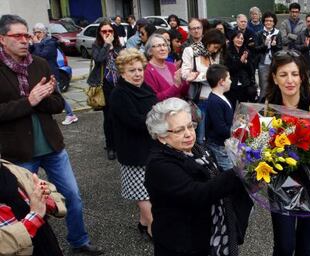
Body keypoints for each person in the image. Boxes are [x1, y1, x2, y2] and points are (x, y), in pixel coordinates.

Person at [0, 14, 103, 254]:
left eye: (27, 35)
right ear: (2, 39)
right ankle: (35, 246)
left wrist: (40, 99)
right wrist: (30, 100)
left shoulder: (39, 64)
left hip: (52, 146)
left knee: (73, 197)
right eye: (18, 36)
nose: (25, 40)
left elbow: (57, 104)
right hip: (20, 153)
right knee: (25, 205)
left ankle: (79, 240)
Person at [145, 97, 252, 256]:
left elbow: (216, 177)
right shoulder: (159, 164)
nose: (188, 134)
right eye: (179, 130)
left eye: (190, 126)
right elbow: (198, 193)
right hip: (182, 244)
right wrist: (239, 170)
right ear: (161, 136)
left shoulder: (198, 150)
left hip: (209, 236)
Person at [264, 49, 310, 256]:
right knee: (284, 246)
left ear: (302, 77)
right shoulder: (266, 108)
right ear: (275, 78)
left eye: (294, 74)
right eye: (283, 75)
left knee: (304, 247)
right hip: (281, 185)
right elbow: (258, 145)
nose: (289, 80)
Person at [110, 48, 157, 238]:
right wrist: (158, 119)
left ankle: (143, 224)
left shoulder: (144, 88)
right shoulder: (119, 94)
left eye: (140, 69)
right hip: (134, 153)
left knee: (151, 192)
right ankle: (156, 233)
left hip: (151, 148)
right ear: (122, 72)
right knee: (144, 195)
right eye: (132, 70)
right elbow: (135, 122)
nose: (138, 74)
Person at [0, 160, 66, 256]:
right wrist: (34, 216)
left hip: (47, 243)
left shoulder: (12, 169)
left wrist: (45, 198)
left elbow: (52, 192)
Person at [181, 29, 226, 144]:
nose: (215, 50)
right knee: (199, 138)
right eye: (215, 46)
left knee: (211, 137)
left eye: (218, 48)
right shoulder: (190, 51)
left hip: (212, 99)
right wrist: (205, 76)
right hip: (198, 100)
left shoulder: (212, 55)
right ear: (209, 41)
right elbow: (185, 74)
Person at [30, 22, 78, 125]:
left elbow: (41, 56)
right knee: (44, 96)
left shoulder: (50, 43)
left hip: (51, 74)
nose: (36, 34)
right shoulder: (38, 43)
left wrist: (36, 44)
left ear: (43, 32)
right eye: (34, 32)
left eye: (38, 32)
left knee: (58, 94)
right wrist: (30, 44)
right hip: (40, 74)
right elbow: (30, 55)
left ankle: (70, 115)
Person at [87, 20, 122, 161]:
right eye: (104, 31)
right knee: (108, 118)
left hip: (119, 84)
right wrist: (107, 44)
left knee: (120, 116)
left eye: (110, 31)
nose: (107, 34)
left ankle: (120, 143)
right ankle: (110, 146)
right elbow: (99, 58)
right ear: (99, 33)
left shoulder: (119, 46)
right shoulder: (97, 46)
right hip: (104, 85)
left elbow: (124, 62)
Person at [205, 64, 233, 171]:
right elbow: (220, 128)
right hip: (219, 145)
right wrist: (237, 130)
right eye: (229, 78)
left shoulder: (221, 97)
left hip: (224, 143)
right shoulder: (214, 102)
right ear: (221, 81)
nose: (230, 81)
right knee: (228, 171)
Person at [144, 34, 189, 100]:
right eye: (158, 46)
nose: (162, 48)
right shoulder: (147, 71)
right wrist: (175, 86)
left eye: (164, 45)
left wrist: (186, 81)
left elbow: (182, 93)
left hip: (179, 106)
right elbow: (155, 98)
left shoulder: (171, 66)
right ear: (150, 51)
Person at [225, 30, 257, 108]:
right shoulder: (227, 52)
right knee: (231, 107)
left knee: (243, 108)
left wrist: (246, 62)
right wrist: (241, 61)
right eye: (238, 38)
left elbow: (251, 70)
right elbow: (230, 69)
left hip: (244, 84)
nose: (240, 40)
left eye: (242, 39)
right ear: (232, 39)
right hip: (232, 85)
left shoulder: (246, 51)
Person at [255, 11, 283, 101]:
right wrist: (265, 44)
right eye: (267, 20)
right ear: (263, 21)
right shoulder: (259, 33)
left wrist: (274, 46)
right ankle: (262, 108)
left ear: (274, 22)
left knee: (276, 86)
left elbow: (280, 49)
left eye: (271, 21)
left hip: (275, 63)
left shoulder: (278, 33)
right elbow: (256, 49)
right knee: (263, 87)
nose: (268, 23)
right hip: (263, 63)